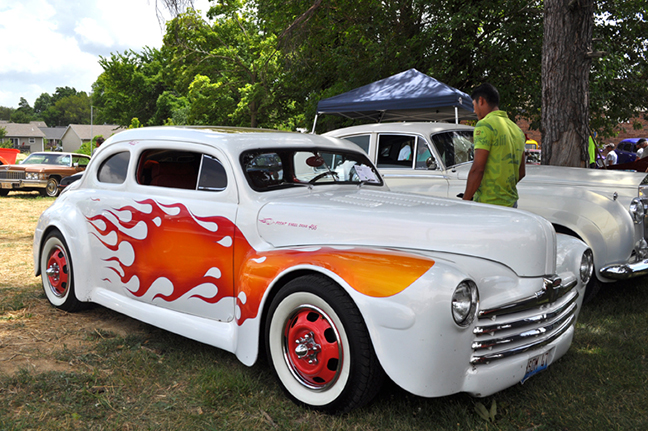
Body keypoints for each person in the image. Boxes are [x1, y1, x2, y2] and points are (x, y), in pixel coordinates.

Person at [462, 83, 525, 207]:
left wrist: (465, 200)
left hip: (489, 204)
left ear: (481, 101)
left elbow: (478, 169)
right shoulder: (517, 129)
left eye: (473, 105)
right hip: (511, 202)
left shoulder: (484, 125)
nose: (474, 110)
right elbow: (521, 172)